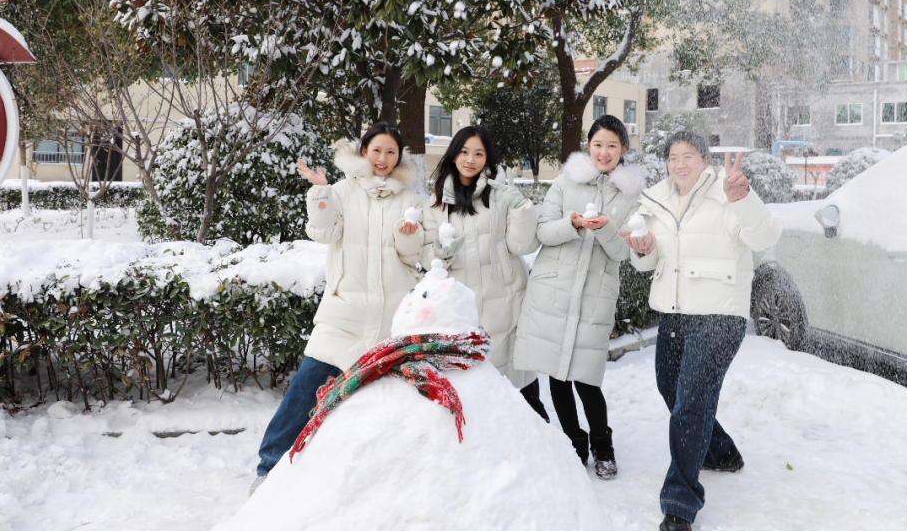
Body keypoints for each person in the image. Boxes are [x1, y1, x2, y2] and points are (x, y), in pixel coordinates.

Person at [251, 122, 423, 494]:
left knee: (392, 402)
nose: (383, 158)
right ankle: (269, 468)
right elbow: (324, 233)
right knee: (305, 387)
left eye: (391, 152)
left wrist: (407, 238)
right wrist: (320, 192)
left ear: (399, 157)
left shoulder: (410, 199)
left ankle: (389, 477)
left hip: (390, 319)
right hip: (343, 313)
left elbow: (414, 256)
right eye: (377, 150)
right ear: (364, 151)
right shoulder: (342, 190)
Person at [624, 131, 781, 531]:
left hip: (719, 314)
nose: (680, 164)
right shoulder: (655, 200)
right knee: (671, 389)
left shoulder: (725, 194)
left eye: (688, 155)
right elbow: (647, 263)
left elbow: (765, 237)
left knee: (691, 401)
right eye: (673, 156)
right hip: (675, 314)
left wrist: (743, 198)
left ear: (704, 159)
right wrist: (641, 250)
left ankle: (679, 504)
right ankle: (721, 453)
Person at [513, 115, 646, 480]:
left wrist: (603, 230)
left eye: (612, 145)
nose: (604, 152)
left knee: (588, 379)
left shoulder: (632, 196)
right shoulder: (564, 182)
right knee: (557, 376)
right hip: (553, 290)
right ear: (588, 146)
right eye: (598, 144)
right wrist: (572, 225)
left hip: (594, 295)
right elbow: (542, 231)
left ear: (623, 150)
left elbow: (623, 253)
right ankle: (575, 442)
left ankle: (603, 446)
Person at [420, 126, 548, 420]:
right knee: (476, 398)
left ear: (487, 159)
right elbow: (429, 257)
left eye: (479, 153)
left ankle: (547, 459)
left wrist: (522, 209)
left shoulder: (501, 196)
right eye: (464, 152)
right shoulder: (434, 204)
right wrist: (441, 252)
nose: (470, 159)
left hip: (507, 301)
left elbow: (523, 244)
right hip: (463, 311)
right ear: (453, 156)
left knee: (525, 399)